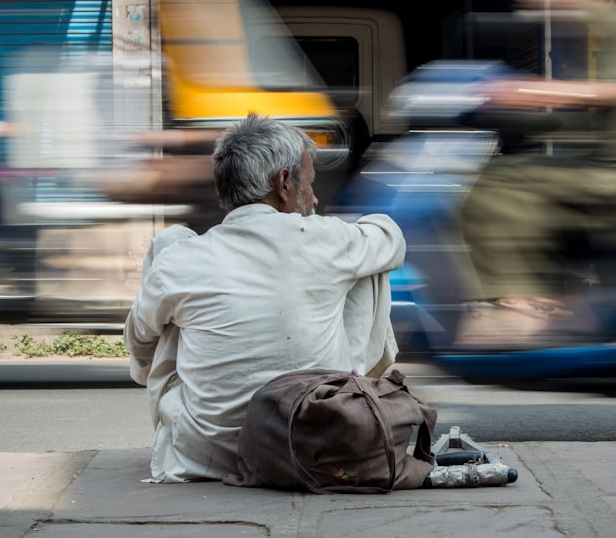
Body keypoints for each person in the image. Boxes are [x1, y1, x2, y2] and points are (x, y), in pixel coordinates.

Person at [123, 113, 406, 482]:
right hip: (309, 443)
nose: (315, 197)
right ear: (284, 182)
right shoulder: (326, 238)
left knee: (169, 254)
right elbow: (391, 239)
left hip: (207, 456)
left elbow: (138, 339)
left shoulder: (181, 259)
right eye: (310, 182)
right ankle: (351, 395)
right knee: (367, 264)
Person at [454, 0, 616, 347]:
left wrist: (534, 92)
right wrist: (509, 112)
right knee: (511, 173)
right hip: (609, 162)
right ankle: (550, 297)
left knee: (500, 187)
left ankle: (526, 306)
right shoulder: (584, 30)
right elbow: (595, 118)